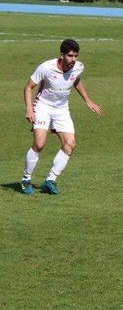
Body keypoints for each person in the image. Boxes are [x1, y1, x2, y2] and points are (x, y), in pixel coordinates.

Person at [20, 39, 103, 195]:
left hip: (62, 109)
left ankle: (50, 180)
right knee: (39, 144)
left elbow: (76, 80)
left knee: (70, 144)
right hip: (43, 106)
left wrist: (88, 100)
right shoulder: (46, 67)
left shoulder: (78, 67)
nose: (73, 59)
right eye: (70, 56)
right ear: (62, 55)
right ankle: (26, 179)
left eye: (76, 56)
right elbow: (28, 87)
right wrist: (29, 109)